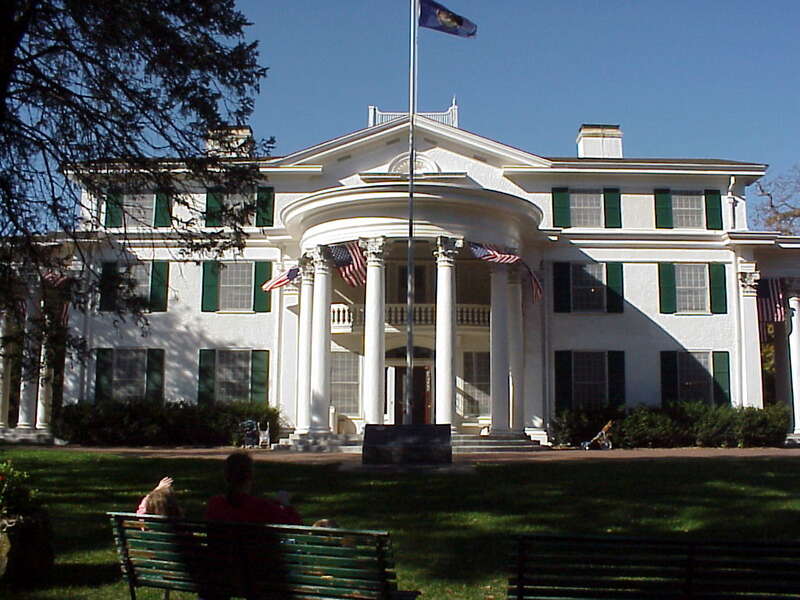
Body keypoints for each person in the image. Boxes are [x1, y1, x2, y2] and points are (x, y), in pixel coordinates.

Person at [205, 451, 301, 524]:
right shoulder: (260, 507)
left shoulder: (214, 505)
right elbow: (295, 524)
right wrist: (286, 505)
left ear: (226, 476)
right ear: (250, 476)